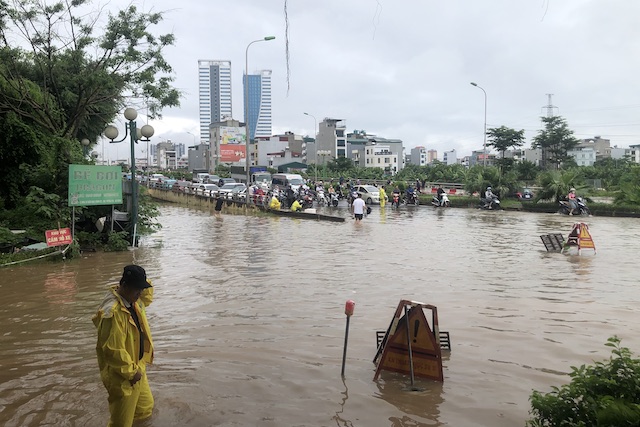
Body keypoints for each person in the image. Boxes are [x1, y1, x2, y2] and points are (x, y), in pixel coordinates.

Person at [93, 265, 155, 427]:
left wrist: (141, 277)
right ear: (125, 286)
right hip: (123, 375)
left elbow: (148, 296)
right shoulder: (112, 312)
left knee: (145, 409)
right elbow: (112, 350)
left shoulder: (135, 300)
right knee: (121, 423)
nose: (140, 294)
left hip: (138, 366)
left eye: (141, 289)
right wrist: (131, 373)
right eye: (137, 290)